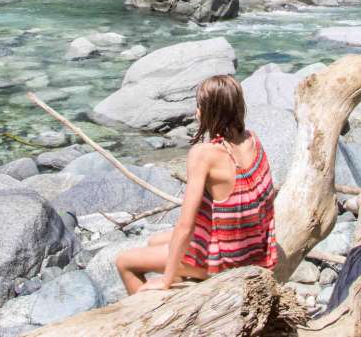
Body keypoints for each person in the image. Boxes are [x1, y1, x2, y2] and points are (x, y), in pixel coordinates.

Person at [115, 74, 278, 294]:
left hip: (228, 262)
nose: (197, 112)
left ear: (212, 112)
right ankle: (184, 275)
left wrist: (166, 279)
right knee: (155, 240)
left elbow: (186, 225)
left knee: (125, 262)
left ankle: (152, 315)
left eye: (200, 106)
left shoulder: (205, 154)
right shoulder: (252, 140)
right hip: (254, 249)